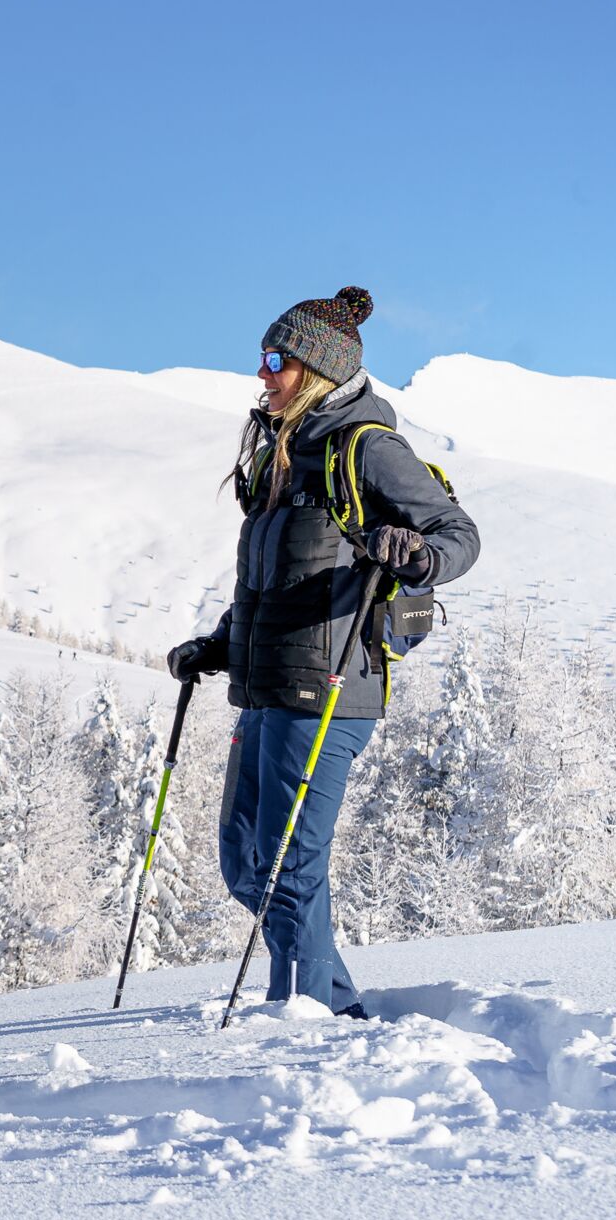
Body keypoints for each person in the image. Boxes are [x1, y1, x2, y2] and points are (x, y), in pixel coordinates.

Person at [167, 288, 479, 1018]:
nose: (263, 374)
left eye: (277, 360)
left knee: (289, 862)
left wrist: (418, 553)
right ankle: (333, 1005)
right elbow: (273, 582)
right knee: (246, 861)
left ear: (316, 370)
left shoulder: (369, 448)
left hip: (332, 687)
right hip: (266, 682)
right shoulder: (282, 458)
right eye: (264, 360)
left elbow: (459, 535)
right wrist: (218, 645)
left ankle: (302, 1022)